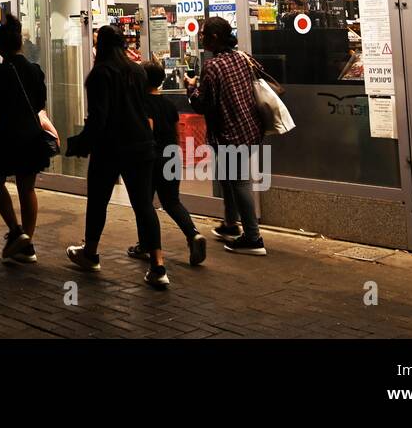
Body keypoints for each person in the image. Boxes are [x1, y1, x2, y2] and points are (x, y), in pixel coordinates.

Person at [65, 24, 169, 289]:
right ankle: (158, 265)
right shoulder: (137, 71)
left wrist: (81, 143)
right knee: (144, 204)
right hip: (141, 144)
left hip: (110, 147)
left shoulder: (100, 74)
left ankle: (90, 252)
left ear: (101, 46)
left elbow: (100, 117)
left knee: (98, 201)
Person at [185, 16, 268, 256]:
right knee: (226, 176)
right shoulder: (242, 57)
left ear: (213, 38)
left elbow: (201, 104)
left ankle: (253, 238)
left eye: (203, 35)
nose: (200, 39)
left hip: (231, 133)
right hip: (250, 127)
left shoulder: (212, 66)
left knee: (239, 181)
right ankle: (231, 224)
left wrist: (191, 88)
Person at [0, 15, 52, 265]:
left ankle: (15, 230)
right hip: (32, 135)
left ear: (0, 48)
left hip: (8, 133)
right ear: (20, 44)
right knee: (27, 187)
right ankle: (27, 243)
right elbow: (40, 102)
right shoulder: (35, 71)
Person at [128, 61, 206, 266]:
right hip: (171, 155)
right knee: (172, 201)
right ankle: (193, 234)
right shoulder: (169, 104)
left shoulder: (142, 103)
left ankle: (146, 245)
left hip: (152, 158)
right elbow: (177, 133)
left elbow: (148, 130)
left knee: (144, 203)